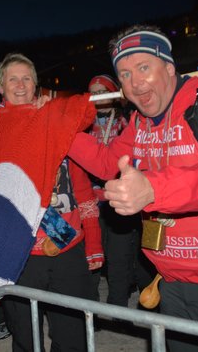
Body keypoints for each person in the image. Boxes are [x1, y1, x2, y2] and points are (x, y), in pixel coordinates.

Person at [67, 25, 198, 352]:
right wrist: (58, 131)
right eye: (124, 73)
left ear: (168, 67)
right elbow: (110, 161)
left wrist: (152, 189)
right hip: (171, 277)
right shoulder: (139, 121)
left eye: (143, 68)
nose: (135, 82)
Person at [0, 52, 103, 352]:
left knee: (73, 337)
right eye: (12, 79)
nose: (20, 85)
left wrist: (56, 109)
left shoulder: (55, 119)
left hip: (67, 247)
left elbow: (88, 110)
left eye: (26, 78)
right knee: (25, 338)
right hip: (18, 253)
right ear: (1, 87)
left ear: (36, 85)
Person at [85, 74, 155, 309]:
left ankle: (118, 306)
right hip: (91, 197)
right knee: (95, 252)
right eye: (93, 92)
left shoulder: (125, 120)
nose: (98, 96)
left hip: (119, 195)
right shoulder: (84, 122)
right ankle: (93, 307)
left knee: (119, 253)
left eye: (103, 91)